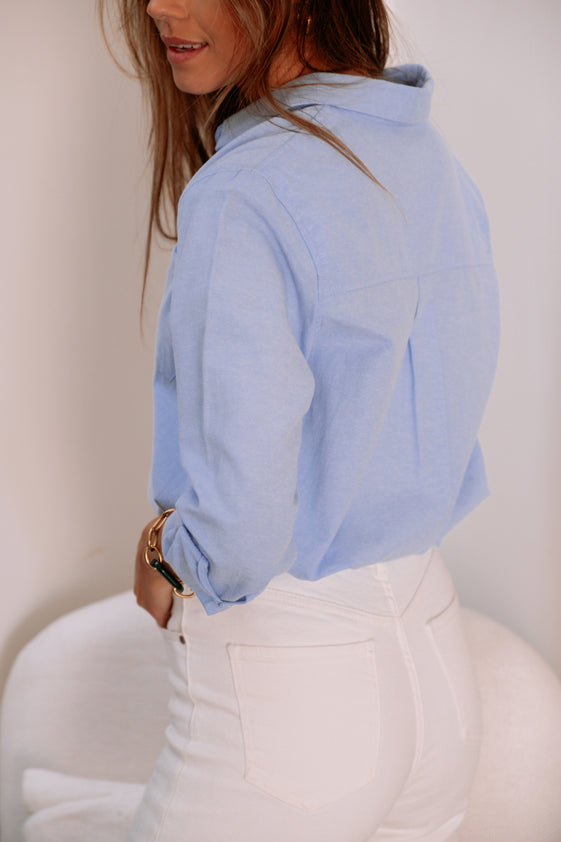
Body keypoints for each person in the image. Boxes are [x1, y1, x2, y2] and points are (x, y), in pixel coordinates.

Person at [99, 0, 500, 838]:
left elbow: (239, 534)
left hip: (289, 680)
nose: (158, 6)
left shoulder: (244, 190)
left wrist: (163, 551)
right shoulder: (424, 152)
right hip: (433, 656)